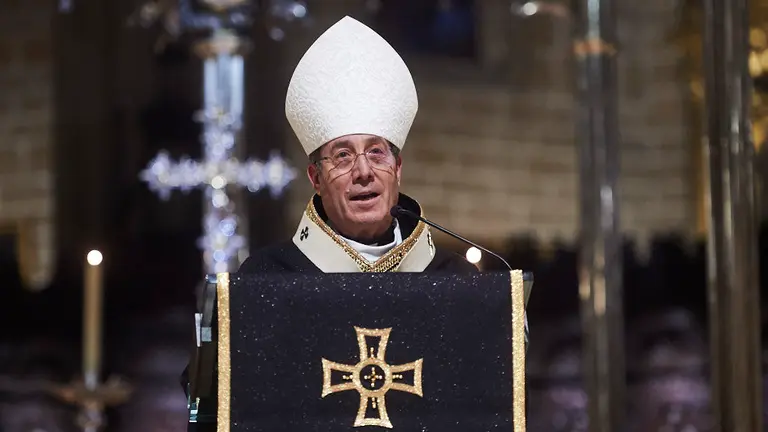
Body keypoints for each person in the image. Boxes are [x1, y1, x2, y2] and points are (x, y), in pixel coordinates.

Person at [239, 16, 477, 273]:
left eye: (376, 153)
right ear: (316, 178)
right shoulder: (270, 275)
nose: (363, 172)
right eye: (342, 155)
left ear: (397, 168)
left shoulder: (454, 276)